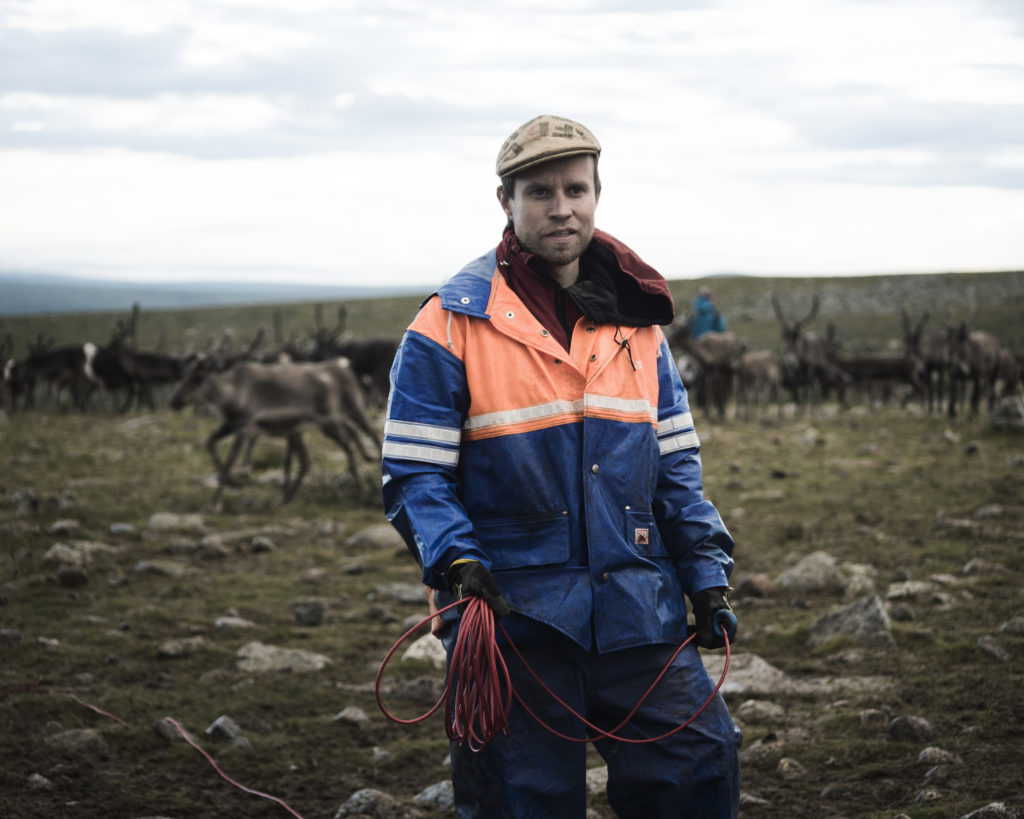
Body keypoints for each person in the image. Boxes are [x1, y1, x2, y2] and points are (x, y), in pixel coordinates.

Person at [382, 114, 741, 818]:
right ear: (506, 204)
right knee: (524, 799)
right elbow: (415, 475)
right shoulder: (448, 325)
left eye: (575, 188)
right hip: (513, 614)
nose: (561, 206)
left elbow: (676, 472)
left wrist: (705, 575)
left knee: (697, 766)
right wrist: (454, 559)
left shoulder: (641, 327)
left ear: (597, 195)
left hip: (639, 604)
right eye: (539, 191)